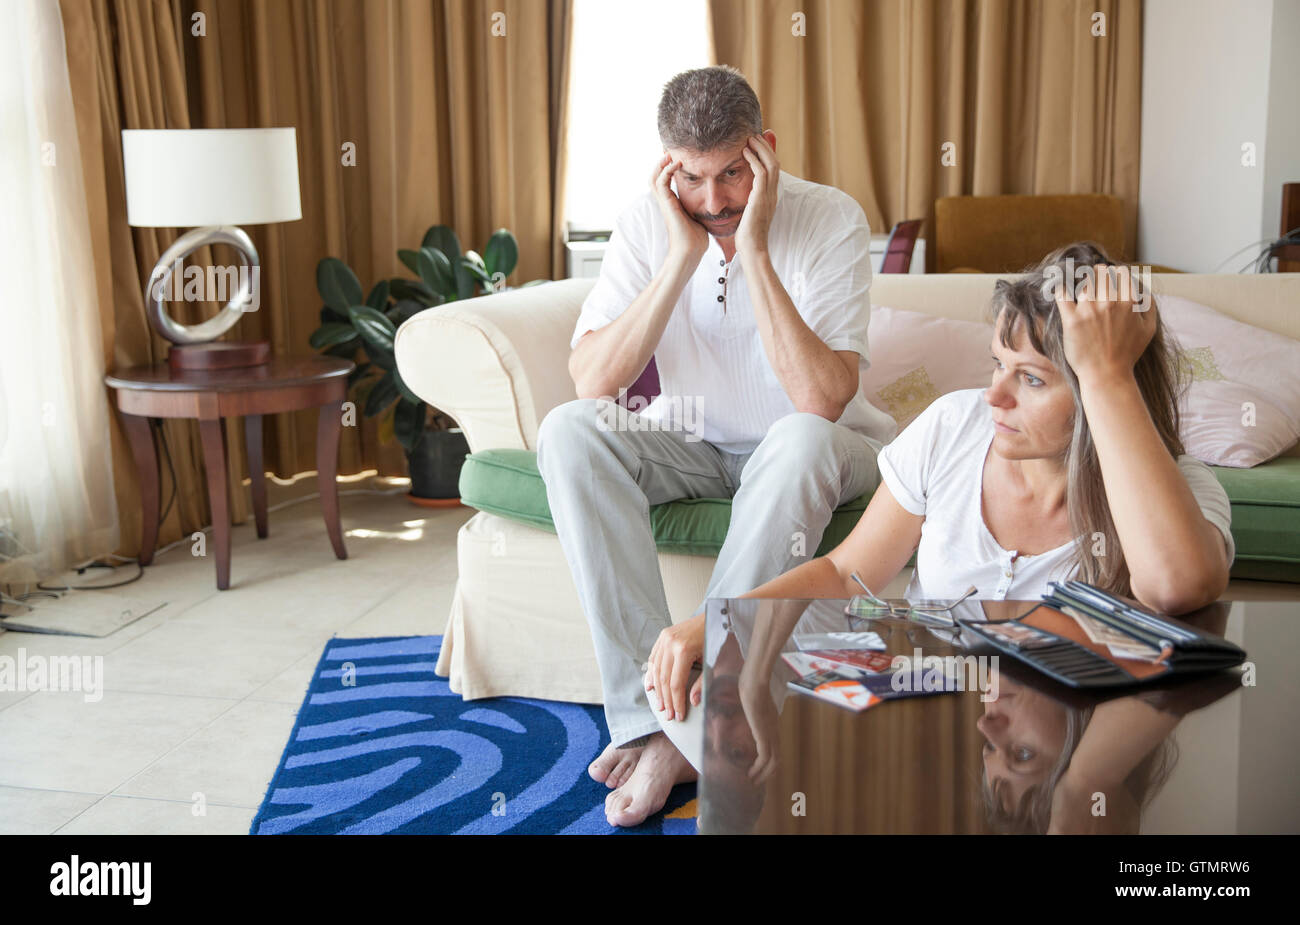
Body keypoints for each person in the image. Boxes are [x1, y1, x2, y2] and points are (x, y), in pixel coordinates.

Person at [649, 240, 1236, 790]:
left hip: (1040, 721)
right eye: (997, 365)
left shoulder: (1177, 493)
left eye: (1031, 379)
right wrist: (723, 621)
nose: (995, 397)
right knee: (721, 676)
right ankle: (691, 757)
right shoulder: (954, 426)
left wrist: (1108, 374)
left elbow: (1174, 588)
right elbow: (844, 572)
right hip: (922, 693)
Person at [535, 65, 897, 827]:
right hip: (695, 441)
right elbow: (592, 380)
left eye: (733, 173)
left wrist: (755, 250)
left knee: (797, 437)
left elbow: (821, 399)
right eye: (692, 179)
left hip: (828, 452)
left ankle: (697, 729)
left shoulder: (829, 218)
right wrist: (678, 258)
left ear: (764, 150)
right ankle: (652, 722)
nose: (715, 200)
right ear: (668, 168)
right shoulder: (651, 223)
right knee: (570, 431)